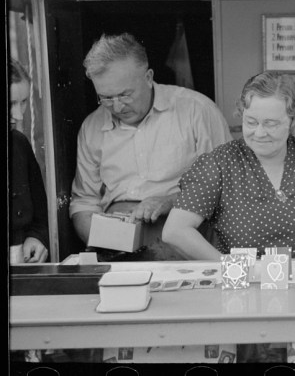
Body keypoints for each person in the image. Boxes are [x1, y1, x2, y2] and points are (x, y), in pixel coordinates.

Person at [162, 71, 295, 260]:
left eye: (271, 124)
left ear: (292, 121)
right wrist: (231, 269)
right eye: (251, 122)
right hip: (244, 286)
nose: (259, 133)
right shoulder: (219, 164)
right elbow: (175, 231)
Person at [69, 33, 231, 260]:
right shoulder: (92, 126)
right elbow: (84, 202)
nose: (116, 106)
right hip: (116, 245)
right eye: (105, 97)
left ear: (148, 77)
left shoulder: (197, 111)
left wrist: (170, 202)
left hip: (187, 237)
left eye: (125, 94)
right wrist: (102, 241)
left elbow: (227, 186)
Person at [9, 59, 50, 265]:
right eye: (10, 104)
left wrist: (37, 237)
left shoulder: (19, 144)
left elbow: (40, 218)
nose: (18, 115)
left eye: (23, 102)